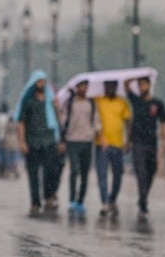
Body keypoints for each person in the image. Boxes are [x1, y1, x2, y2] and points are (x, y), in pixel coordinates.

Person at [14, 71, 63, 215]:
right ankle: (35, 202)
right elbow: (21, 122)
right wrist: (22, 142)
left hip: (49, 141)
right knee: (33, 174)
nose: (42, 84)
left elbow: (58, 120)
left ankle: (49, 195)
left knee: (51, 170)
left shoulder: (50, 100)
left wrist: (56, 108)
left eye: (44, 81)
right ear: (34, 83)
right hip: (32, 142)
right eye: (39, 81)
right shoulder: (28, 101)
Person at [124, 76, 165, 219]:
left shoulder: (157, 103)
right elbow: (126, 84)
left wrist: (164, 142)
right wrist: (137, 75)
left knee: (151, 171)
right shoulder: (136, 101)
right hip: (138, 142)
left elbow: (163, 123)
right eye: (140, 85)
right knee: (141, 172)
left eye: (144, 84)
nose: (142, 87)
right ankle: (143, 204)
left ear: (149, 85)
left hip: (152, 143)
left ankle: (143, 198)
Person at [58, 81, 100, 215]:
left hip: (87, 141)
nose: (84, 88)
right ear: (77, 88)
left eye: (86, 86)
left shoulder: (92, 104)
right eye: (82, 86)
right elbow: (63, 122)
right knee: (74, 170)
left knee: (84, 173)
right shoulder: (70, 104)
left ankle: (80, 200)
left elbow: (96, 122)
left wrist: (99, 135)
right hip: (73, 140)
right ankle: (72, 200)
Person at [94, 80, 131, 218]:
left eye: (112, 86)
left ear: (116, 87)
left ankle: (112, 198)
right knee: (102, 174)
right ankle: (104, 202)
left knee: (118, 175)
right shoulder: (98, 101)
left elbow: (127, 121)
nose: (109, 89)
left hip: (118, 144)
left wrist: (128, 140)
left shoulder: (122, 102)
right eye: (107, 86)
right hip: (101, 144)